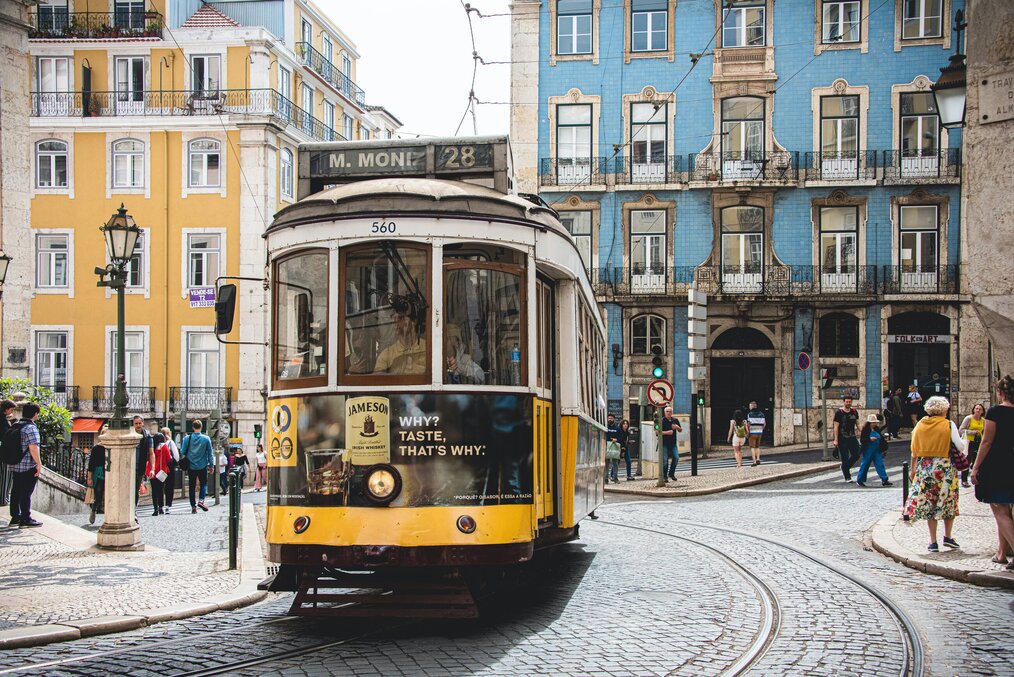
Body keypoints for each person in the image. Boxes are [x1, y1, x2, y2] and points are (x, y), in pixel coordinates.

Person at [903, 395, 965, 553]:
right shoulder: (948, 425)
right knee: (948, 502)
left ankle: (933, 542)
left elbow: (914, 450)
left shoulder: (920, 425)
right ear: (944, 410)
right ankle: (948, 537)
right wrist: (965, 442)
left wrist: (913, 469)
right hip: (945, 469)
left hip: (926, 468)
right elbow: (960, 447)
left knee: (929, 504)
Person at [970, 376, 1014, 571]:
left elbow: (986, 441)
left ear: (1000, 393)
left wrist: (976, 467)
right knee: (1004, 512)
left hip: (998, 465)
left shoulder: (995, 412)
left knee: (1000, 511)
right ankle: (1001, 554)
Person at [8, 403, 42, 528]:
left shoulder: (16, 425)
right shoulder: (31, 428)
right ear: (35, 414)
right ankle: (26, 518)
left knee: (16, 490)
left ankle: (15, 517)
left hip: (15, 464)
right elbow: (33, 447)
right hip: (28, 465)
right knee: (26, 492)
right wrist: (38, 463)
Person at [374, 303, 426, 375]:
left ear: (414, 321)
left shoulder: (428, 349)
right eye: (394, 318)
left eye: (401, 318)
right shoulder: (387, 353)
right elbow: (377, 380)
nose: (396, 322)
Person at [180, 420, 213, 513]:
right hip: (203, 465)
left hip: (191, 466)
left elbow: (182, 451)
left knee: (192, 486)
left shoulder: (187, 438)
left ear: (193, 428)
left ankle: (193, 506)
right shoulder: (206, 439)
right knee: (203, 483)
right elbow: (210, 453)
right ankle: (201, 500)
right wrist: (211, 465)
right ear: (201, 427)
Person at [856, 414, 892, 487]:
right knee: (865, 464)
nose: (874, 424)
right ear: (869, 423)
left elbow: (881, 439)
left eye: (875, 422)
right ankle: (860, 480)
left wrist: (884, 449)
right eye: (872, 422)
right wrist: (870, 439)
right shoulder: (865, 430)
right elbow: (862, 440)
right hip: (868, 449)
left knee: (880, 464)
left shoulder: (877, 429)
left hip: (877, 449)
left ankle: (884, 479)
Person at [833, 396, 861, 482]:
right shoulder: (839, 413)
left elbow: (858, 424)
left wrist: (862, 432)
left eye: (850, 402)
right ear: (843, 402)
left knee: (857, 454)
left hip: (852, 437)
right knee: (844, 457)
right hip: (842, 438)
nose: (848, 403)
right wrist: (836, 439)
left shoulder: (854, 411)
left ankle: (845, 467)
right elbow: (836, 427)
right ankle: (847, 477)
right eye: (847, 402)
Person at [958, 403, 986, 488]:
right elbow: (961, 430)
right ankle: (964, 480)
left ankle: (977, 479)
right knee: (967, 460)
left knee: (978, 460)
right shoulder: (969, 418)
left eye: (980, 409)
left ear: (982, 411)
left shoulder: (983, 421)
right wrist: (973, 432)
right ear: (973, 410)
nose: (978, 410)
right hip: (969, 442)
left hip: (979, 442)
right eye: (976, 408)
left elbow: (984, 431)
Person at [145, 433, 172, 517]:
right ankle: (161, 507)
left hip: (152, 471)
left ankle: (155, 508)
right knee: (160, 489)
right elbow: (169, 458)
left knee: (154, 490)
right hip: (161, 471)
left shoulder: (151, 447)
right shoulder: (164, 447)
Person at [132, 415, 153, 508]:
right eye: (136, 423)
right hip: (129, 467)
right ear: (133, 424)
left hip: (140, 467)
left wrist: (152, 468)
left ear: (143, 423)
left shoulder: (147, 436)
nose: (138, 425)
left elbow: (152, 453)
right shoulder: (129, 435)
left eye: (139, 423)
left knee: (136, 490)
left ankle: (134, 510)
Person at [87, 432, 107, 525]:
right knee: (98, 494)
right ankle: (94, 510)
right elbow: (91, 464)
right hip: (98, 473)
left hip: (109, 473)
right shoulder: (96, 448)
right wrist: (90, 478)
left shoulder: (112, 447)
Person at [160, 426, 180, 512]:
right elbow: (176, 456)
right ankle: (168, 504)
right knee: (169, 486)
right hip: (169, 467)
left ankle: (160, 504)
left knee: (160, 486)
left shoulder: (158, 443)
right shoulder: (170, 443)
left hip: (160, 467)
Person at [0, 399, 15, 506]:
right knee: (5, 477)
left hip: (4, 453)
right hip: (4, 454)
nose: (12, 411)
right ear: (5, 410)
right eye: (11, 409)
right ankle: (3, 499)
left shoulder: (4, 420)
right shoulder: (3, 421)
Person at [661, 406, 682, 481]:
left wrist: (677, 427)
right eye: (667, 411)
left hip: (673, 443)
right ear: (664, 412)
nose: (669, 413)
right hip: (664, 443)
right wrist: (667, 432)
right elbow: (657, 432)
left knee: (676, 458)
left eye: (670, 411)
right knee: (665, 460)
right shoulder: (662, 421)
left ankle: (671, 473)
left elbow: (680, 430)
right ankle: (664, 476)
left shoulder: (675, 420)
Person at [745, 402, 765, 467]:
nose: (749, 407)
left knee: (752, 447)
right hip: (760, 432)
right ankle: (758, 459)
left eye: (750, 406)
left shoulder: (750, 414)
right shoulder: (762, 414)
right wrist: (761, 429)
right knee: (757, 446)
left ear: (752, 407)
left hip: (752, 432)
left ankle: (754, 461)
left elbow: (748, 424)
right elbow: (764, 424)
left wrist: (747, 432)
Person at [605, 414, 620, 485]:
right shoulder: (605, 427)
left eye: (611, 418)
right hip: (606, 447)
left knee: (615, 463)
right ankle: (605, 479)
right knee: (606, 463)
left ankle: (615, 478)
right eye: (608, 418)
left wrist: (616, 439)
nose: (609, 419)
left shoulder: (617, 428)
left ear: (614, 419)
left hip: (615, 447)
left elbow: (621, 438)